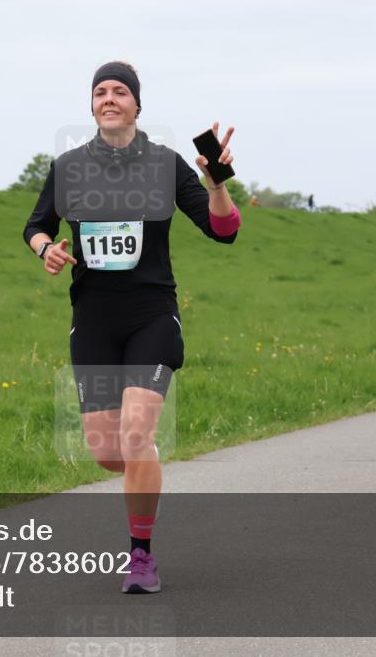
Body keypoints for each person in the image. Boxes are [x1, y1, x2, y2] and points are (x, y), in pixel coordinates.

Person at [22, 62, 240, 593]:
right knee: (105, 451)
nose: (109, 97)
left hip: (151, 316)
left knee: (136, 434)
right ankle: (145, 462)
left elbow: (223, 229)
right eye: (100, 91)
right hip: (93, 318)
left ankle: (140, 557)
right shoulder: (70, 166)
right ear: (91, 106)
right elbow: (36, 225)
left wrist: (216, 184)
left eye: (121, 90)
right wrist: (47, 250)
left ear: (137, 106)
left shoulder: (164, 165)